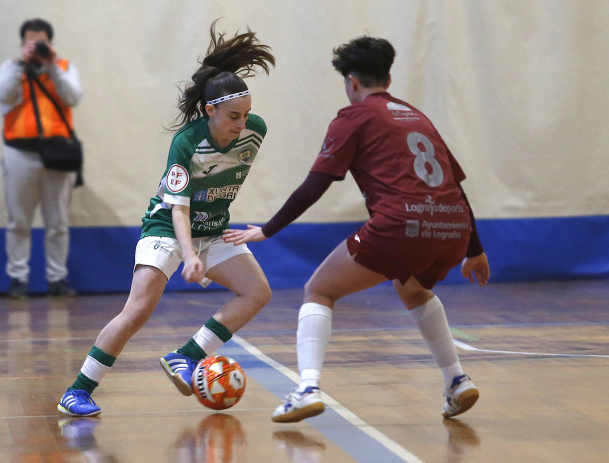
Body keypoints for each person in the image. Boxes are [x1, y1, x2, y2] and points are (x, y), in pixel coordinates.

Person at [224, 36, 490, 422]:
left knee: (319, 290)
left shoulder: (354, 117)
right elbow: (457, 188)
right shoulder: (416, 116)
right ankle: (456, 380)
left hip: (401, 224)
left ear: (351, 82)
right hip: (454, 229)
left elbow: (316, 184)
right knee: (412, 288)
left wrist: (269, 230)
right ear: (389, 77)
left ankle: (307, 389)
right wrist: (474, 249)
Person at [56, 20, 275, 417]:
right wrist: (189, 255)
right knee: (138, 309)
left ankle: (186, 357)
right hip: (167, 228)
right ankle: (78, 389)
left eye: (246, 114)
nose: (242, 124)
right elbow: (178, 206)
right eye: (232, 116)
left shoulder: (254, 132)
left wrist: (205, 241)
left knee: (258, 292)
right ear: (210, 111)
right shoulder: (187, 142)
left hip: (211, 231)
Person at [0, 18, 82, 298]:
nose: (35, 46)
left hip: (57, 154)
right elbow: (2, 95)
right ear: (22, 44)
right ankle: (18, 279)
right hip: (19, 152)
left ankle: (57, 279)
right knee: (18, 221)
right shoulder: (10, 68)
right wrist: (22, 64)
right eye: (29, 42)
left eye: (40, 42)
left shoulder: (64, 68)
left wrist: (52, 66)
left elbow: (72, 97)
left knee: (58, 223)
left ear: (50, 43)